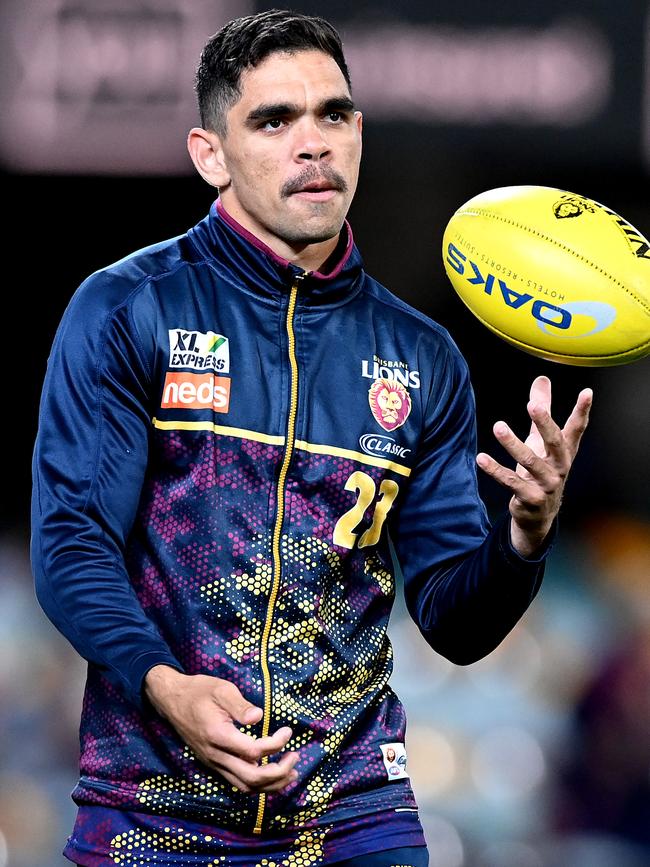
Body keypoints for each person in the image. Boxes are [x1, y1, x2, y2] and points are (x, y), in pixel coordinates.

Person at [31, 9, 592, 867]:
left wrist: (524, 535)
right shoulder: (127, 309)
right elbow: (72, 543)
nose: (313, 143)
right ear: (209, 152)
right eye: (273, 119)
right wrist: (164, 683)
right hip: (151, 814)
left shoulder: (422, 356)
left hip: (354, 815)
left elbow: (453, 619)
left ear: (360, 134)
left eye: (334, 115)